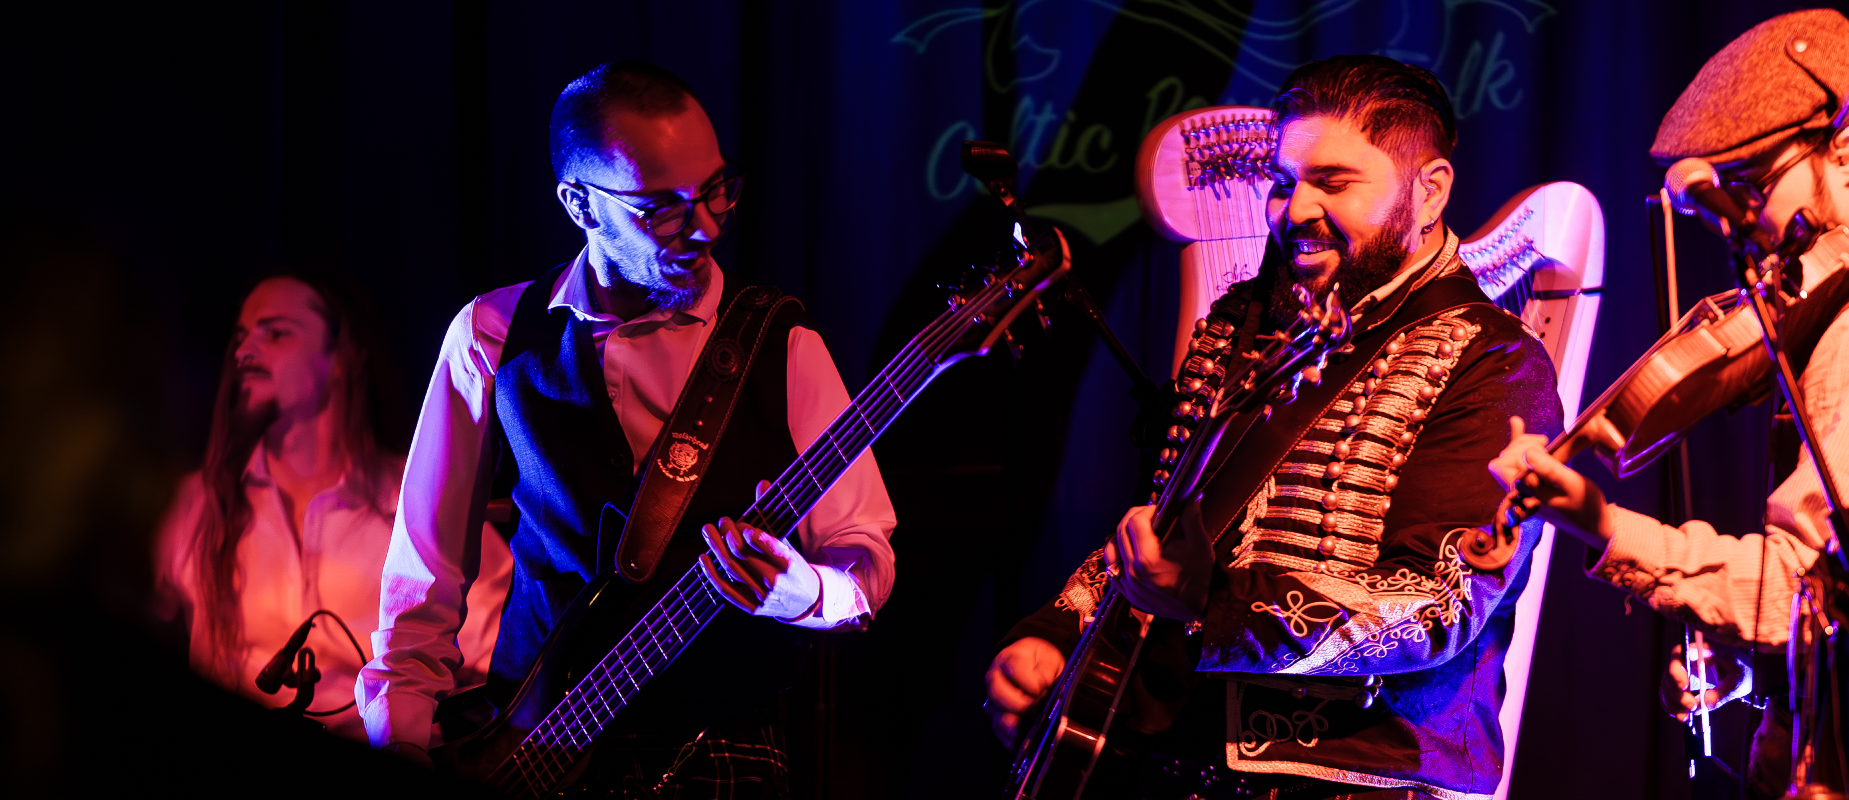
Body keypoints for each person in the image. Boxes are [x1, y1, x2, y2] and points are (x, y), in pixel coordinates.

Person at [1490, 10, 1849, 800]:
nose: (1745, 224)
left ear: (1847, 156)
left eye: (1755, 187)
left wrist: (1604, 525)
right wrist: (1744, 674)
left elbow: (1794, 590)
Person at [986, 55, 1561, 800]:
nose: (1294, 211)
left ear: (1430, 191)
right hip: (1174, 749)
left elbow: (1437, 603)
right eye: (1284, 183)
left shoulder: (1494, 359)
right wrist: (1055, 633)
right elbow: (1155, 527)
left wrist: (1207, 606)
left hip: (1366, 775)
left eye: (1333, 181)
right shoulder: (1244, 322)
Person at [359, 61, 896, 797]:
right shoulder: (491, 336)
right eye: (664, 210)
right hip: (531, 751)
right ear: (579, 204)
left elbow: (864, 558)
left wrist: (804, 593)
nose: (706, 226)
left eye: (717, 190)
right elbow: (421, 580)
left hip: (719, 753)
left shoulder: (782, 344)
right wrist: (403, 737)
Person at [153, 273, 511, 743]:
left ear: (342, 359)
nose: (243, 352)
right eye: (240, 337)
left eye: (276, 332)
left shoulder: (420, 506)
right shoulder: (192, 509)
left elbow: (505, 678)